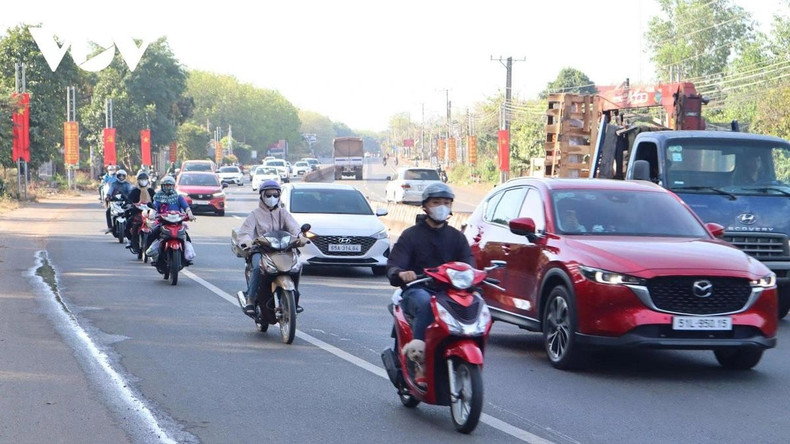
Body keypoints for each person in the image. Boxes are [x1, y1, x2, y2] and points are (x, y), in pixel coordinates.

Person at [385, 182, 473, 386]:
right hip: (418, 290)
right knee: (427, 304)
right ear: (425, 206)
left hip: (450, 292)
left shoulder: (457, 238)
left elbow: (469, 264)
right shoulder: (411, 236)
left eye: (446, 202)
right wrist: (401, 272)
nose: (441, 206)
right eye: (436, 202)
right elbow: (394, 264)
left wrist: (476, 276)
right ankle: (420, 364)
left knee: (476, 303)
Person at [236, 180, 303, 314]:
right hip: (261, 249)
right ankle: (250, 298)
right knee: (256, 267)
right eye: (268, 195)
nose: (272, 198)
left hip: (283, 250)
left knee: (297, 265)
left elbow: (294, 227)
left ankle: (294, 298)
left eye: (275, 195)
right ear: (262, 196)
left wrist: (300, 237)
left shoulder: (283, 213)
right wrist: (247, 241)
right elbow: (245, 232)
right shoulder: (255, 214)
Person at [144, 176, 195, 263]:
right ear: (162, 186)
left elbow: (186, 207)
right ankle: (147, 253)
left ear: (173, 186)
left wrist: (190, 215)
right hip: (163, 223)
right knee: (152, 235)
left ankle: (186, 257)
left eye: (169, 185)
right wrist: (152, 215)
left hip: (177, 223)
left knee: (187, 238)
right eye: (166, 185)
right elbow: (154, 207)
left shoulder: (179, 197)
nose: (168, 187)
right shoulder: (158, 198)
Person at [124, 171, 156, 250]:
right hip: (137, 213)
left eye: (145, 179)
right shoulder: (135, 191)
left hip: (150, 214)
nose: (143, 181)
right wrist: (130, 204)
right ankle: (130, 240)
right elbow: (129, 200)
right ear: (138, 181)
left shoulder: (151, 191)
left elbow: (156, 200)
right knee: (128, 224)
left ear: (148, 180)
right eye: (141, 179)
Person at [103, 169, 134, 234]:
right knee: (108, 211)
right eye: (120, 176)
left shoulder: (127, 184)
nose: (121, 177)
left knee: (132, 212)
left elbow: (130, 192)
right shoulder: (114, 184)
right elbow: (110, 191)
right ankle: (110, 227)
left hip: (125, 202)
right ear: (117, 176)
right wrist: (108, 196)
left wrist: (130, 198)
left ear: (125, 177)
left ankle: (132, 227)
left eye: (123, 176)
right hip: (115, 201)